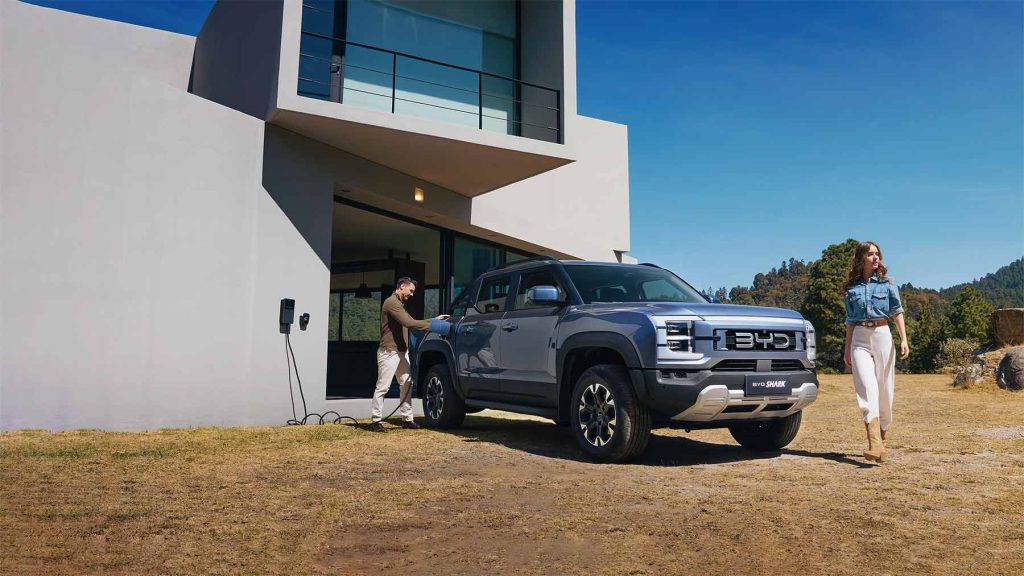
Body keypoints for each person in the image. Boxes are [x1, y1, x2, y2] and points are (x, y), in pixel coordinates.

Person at [842, 241, 909, 463]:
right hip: (859, 338)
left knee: (885, 390)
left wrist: (903, 339)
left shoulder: (888, 283)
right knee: (866, 387)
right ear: (861, 259)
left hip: (882, 335)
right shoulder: (851, 288)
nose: (875, 257)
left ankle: (882, 438)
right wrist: (847, 349)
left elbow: (897, 311)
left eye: (877, 254)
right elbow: (850, 321)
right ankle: (873, 442)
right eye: (870, 254)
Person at [369, 277, 449, 432]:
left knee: (406, 383)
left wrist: (434, 319)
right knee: (383, 386)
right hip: (389, 351)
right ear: (402, 287)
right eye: (411, 290)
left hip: (400, 351)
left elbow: (411, 320)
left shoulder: (399, 304)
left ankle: (407, 419)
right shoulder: (392, 303)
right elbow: (410, 323)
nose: (412, 294)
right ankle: (375, 421)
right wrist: (435, 325)